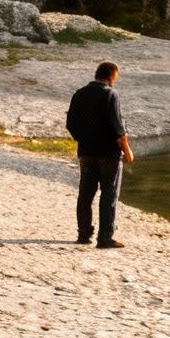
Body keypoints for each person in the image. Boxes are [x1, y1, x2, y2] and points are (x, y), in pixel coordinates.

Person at [65, 61, 134, 248]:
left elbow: (70, 124)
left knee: (85, 194)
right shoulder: (110, 94)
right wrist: (127, 151)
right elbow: (118, 128)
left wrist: (83, 139)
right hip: (108, 153)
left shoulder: (79, 94)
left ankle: (83, 234)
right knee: (109, 194)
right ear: (111, 75)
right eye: (116, 76)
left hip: (86, 152)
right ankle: (105, 238)